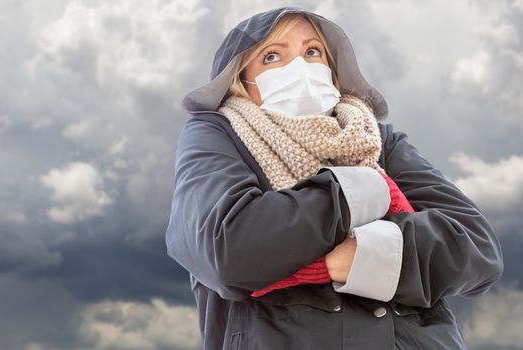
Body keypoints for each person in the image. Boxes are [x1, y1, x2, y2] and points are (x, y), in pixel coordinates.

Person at [165, 7, 504, 349]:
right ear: (240, 81)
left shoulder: (378, 140)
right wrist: (368, 187)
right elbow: (227, 251)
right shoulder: (217, 135)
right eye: (271, 56)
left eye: (312, 51)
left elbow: (477, 250)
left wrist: (349, 260)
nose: (300, 67)